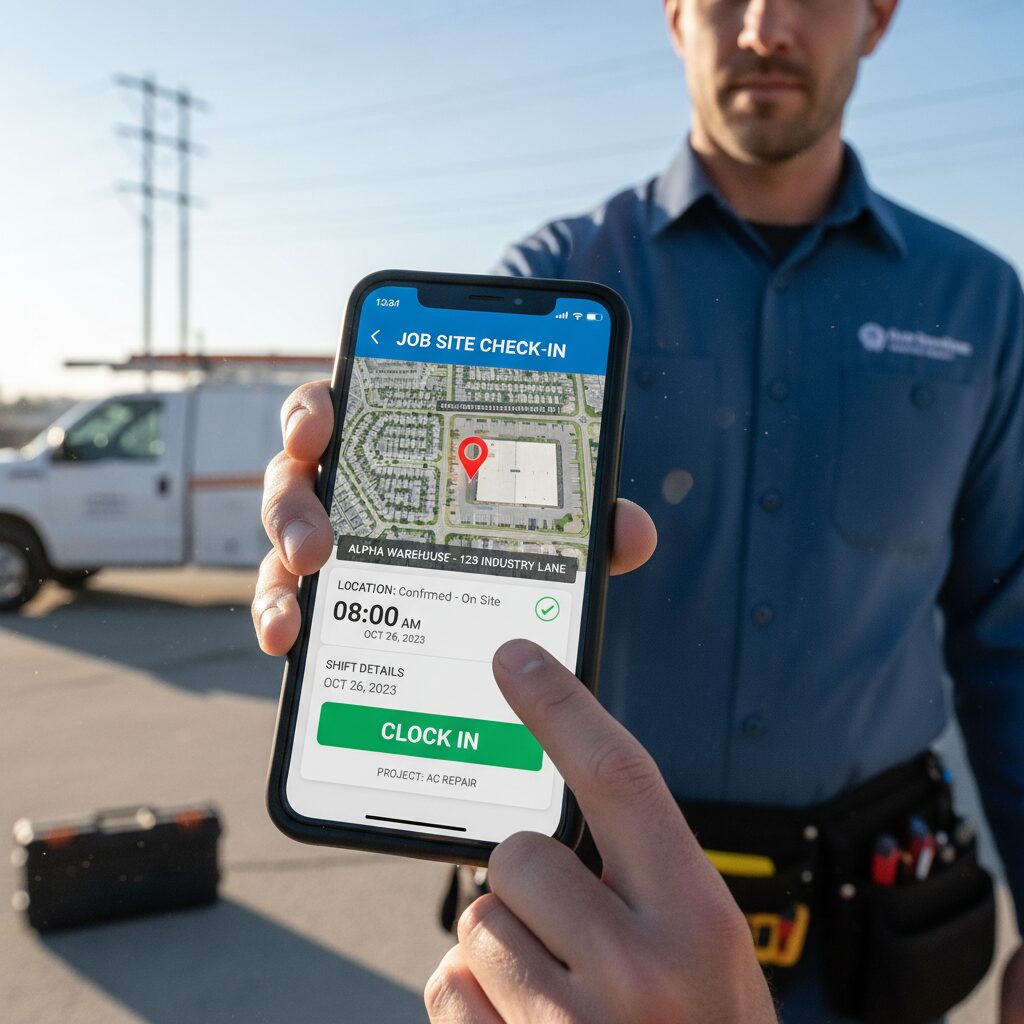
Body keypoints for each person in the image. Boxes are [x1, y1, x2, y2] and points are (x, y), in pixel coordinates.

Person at [255, 0, 1024, 1019]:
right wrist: (356, 489)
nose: (763, 27)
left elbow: (1009, 640)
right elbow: (442, 533)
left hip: (872, 931)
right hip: (593, 925)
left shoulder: (976, 302)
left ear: (877, 19)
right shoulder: (554, 278)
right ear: (673, 18)